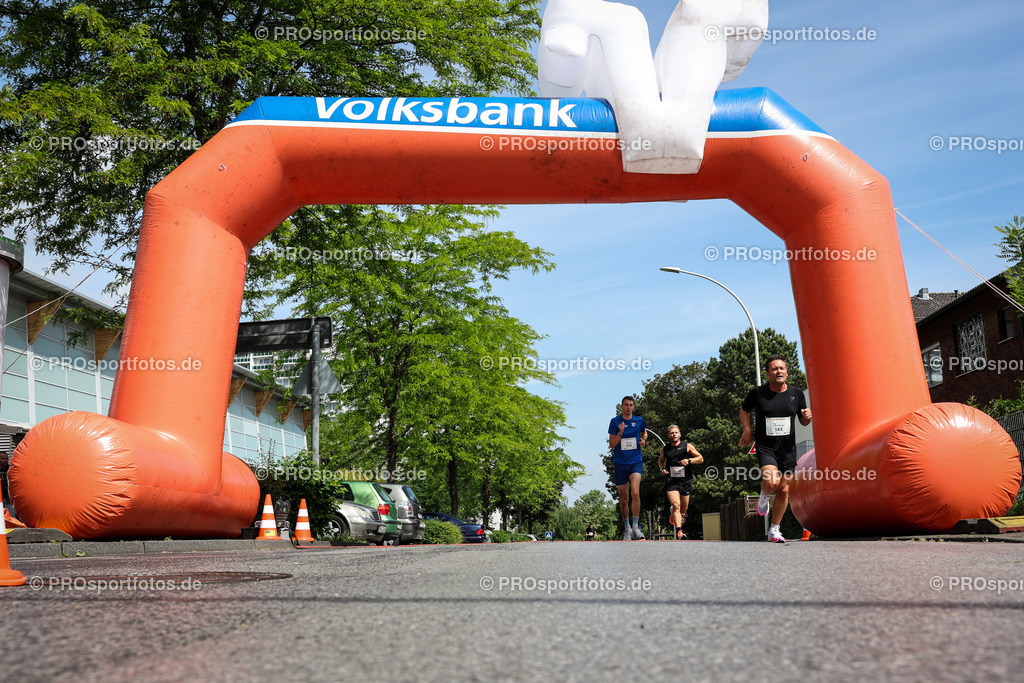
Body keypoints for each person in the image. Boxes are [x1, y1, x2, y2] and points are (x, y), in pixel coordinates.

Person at [739, 355, 812, 543]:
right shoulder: (758, 393)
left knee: (784, 491)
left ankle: (774, 529)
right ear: (768, 374)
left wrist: (807, 417)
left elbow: (803, 421)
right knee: (771, 483)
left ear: (786, 372)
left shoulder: (796, 394)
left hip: (788, 449)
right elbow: (744, 409)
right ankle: (764, 496)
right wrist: (747, 430)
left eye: (781, 368)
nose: (779, 371)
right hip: (766, 447)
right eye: (774, 369)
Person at [608, 395, 647, 540]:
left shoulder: (639, 420)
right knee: (624, 499)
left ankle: (636, 527)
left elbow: (644, 433)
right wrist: (620, 432)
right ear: (621, 406)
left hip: (635, 461)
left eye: (631, 405)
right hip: (620, 463)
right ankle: (627, 528)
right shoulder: (615, 422)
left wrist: (643, 440)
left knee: (635, 493)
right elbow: (612, 444)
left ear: (633, 407)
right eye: (626, 405)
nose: (628, 407)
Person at [658, 425, 703, 540]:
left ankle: (675, 514)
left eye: (676, 432)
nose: (674, 434)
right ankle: (679, 532)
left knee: (683, 509)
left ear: (680, 434)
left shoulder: (687, 446)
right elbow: (661, 460)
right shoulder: (665, 449)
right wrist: (662, 469)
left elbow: (700, 458)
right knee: (676, 505)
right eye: (672, 433)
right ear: (668, 435)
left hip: (685, 481)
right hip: (671, 481)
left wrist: (689, 460)